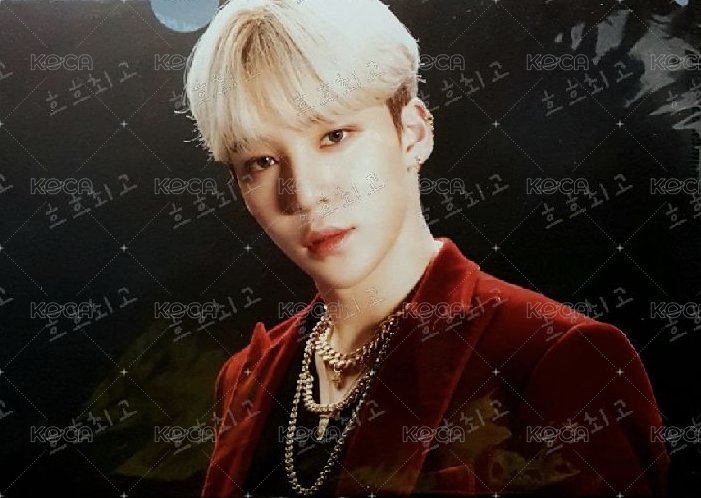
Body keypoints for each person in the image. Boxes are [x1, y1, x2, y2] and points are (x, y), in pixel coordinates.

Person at [183, 0, 670, 495]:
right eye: (261, 162)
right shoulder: (244, 378)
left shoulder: (553, 360)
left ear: (413, 133)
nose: (304, 194)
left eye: (335, 135)